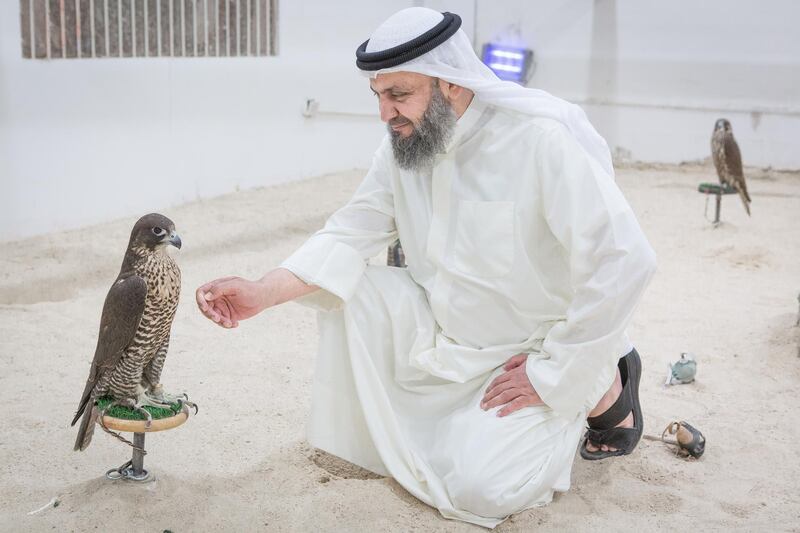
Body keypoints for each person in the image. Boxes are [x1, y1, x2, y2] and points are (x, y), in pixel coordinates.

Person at [196, 7, 657, 529]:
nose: (385, 113)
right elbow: (350, 232)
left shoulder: (538, 140)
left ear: (452, 86)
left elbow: (625, 259)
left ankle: (604, 383)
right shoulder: (404, 144)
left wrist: (555, 373)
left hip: (531, 351)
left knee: (482, 490)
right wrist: (262, 292)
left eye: (400, 94)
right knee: (354, 291)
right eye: (379, 95)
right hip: (447, 331)